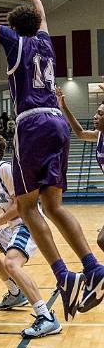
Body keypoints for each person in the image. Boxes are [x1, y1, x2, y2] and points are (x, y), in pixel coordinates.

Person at [0, 0, 104, 321]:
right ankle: (94, 268)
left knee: (29, 206)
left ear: (14, 27)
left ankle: (64, 276)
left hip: (31, 122)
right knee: (54, 206)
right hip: (58, 124)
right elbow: (44, 16)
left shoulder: (15, 42)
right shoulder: (46, 43)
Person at [0, 131, 61, 338]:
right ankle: (15, 293)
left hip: (28, 224)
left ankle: (46, 317)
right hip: (15, 226)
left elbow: (22, 205)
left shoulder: (5, 169)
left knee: (11, 264)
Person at [57, 88, 104, 252]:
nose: (95, 116)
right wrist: (64, 107)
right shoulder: (99, 136)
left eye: (100, 113)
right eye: (97, 113)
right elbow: (80, 132)